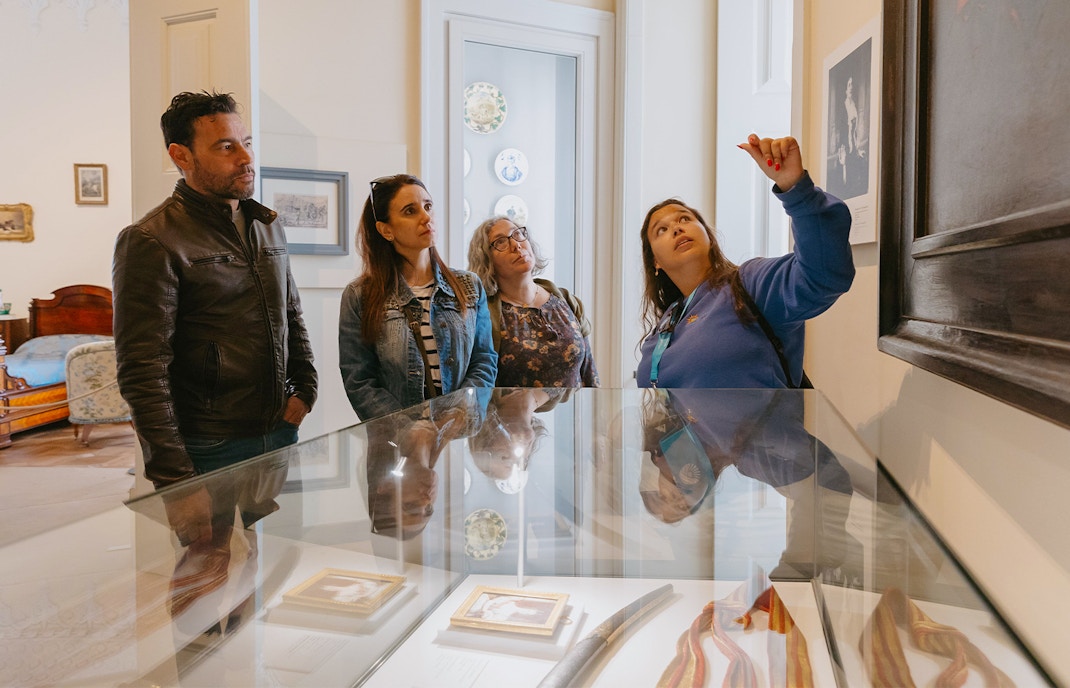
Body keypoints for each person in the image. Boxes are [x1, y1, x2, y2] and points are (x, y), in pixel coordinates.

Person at [113, 91, 318, 491]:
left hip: (278, 431)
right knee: (207, 554)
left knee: (267, 550)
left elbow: (290, 313)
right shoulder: (151, 239)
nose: (245, 158)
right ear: (181, 156)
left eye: (247, 143)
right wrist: (174, 478)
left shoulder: (267, 224)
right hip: (208, 443)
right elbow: (143, 369)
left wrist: (305, 389)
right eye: (226, 147)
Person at [636, 133, 854, 389]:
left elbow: (823, 276)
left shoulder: (749, 284)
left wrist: (795, 188)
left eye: (685, 219)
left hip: (767, 430)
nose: (677, 228)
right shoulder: (667, 323)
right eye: (661, 230)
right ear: (655, 263)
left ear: (708, 235)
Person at [339, 174, 497, 421]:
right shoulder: (359, 295)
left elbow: (484, 360)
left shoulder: (469, 285)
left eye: (428, 206)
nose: (426, 217)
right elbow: (359, 380)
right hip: (396, 449)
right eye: (410, 211)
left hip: (456, 439)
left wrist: (459, 414)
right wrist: (407, 431)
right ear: (386, 230)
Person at [467, 216, 599, 387]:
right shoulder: (484, 315)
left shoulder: (566, 300)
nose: (516, 245)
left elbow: (590, 374)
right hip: (513, 414)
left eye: (518, 234)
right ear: (486, 260)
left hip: (571, 413)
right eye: (501, 242)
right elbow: (481, 380)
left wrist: (598, 412)